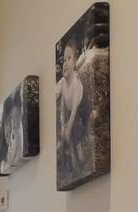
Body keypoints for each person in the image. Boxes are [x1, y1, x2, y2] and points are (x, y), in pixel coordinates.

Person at [56, 37, 89, 172]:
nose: (65, 63)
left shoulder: (75, 82)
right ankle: (73, 154)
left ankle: (79, 153)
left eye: (69, 58)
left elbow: (75, 110)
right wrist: (63, 126)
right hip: (71, 110)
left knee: (76, 128)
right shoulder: (63, 82)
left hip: (81, 108)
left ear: (75, 62)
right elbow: (61, 105)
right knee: (68, 128)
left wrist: (68, 129)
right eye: (64, 60)